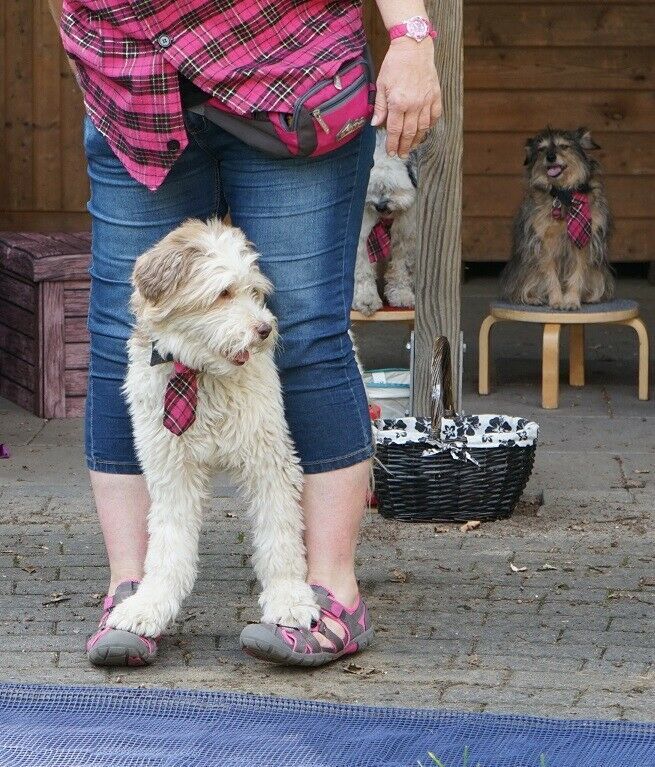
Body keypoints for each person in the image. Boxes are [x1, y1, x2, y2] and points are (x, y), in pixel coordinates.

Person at [49, 0, 441, 667]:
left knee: (308, 330)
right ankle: (134, 592)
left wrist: (410, 35)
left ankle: (328, 593)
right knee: (126, 323)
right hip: (134, 78)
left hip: (290, 64)